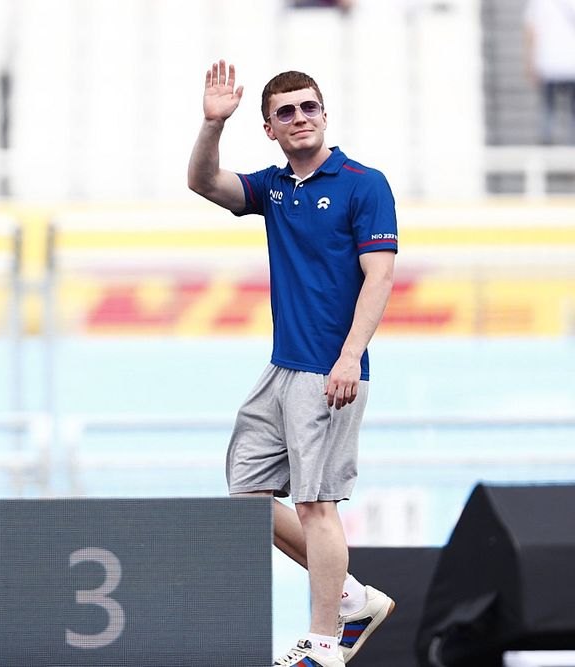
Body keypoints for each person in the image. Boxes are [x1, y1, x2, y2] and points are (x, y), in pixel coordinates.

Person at [187, 61, 397, 666]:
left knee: (317, 504)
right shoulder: (276, 187)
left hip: (330, 368)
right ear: (269, 128)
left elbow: (379, 277)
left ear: (325, 115)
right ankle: (352, 599)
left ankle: (325, 641)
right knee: (246, 496)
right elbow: (204, 182)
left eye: (309, 107)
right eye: (286, 112)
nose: (299, 118)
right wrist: (210, 124)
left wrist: (350, 357)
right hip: (281, 367)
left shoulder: (364, 183)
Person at [524, 0, 575, 145]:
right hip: (569, 61)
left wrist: (530, 62)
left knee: (548, 110)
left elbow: (531, 30)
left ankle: (546, 148)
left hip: (548, 61)